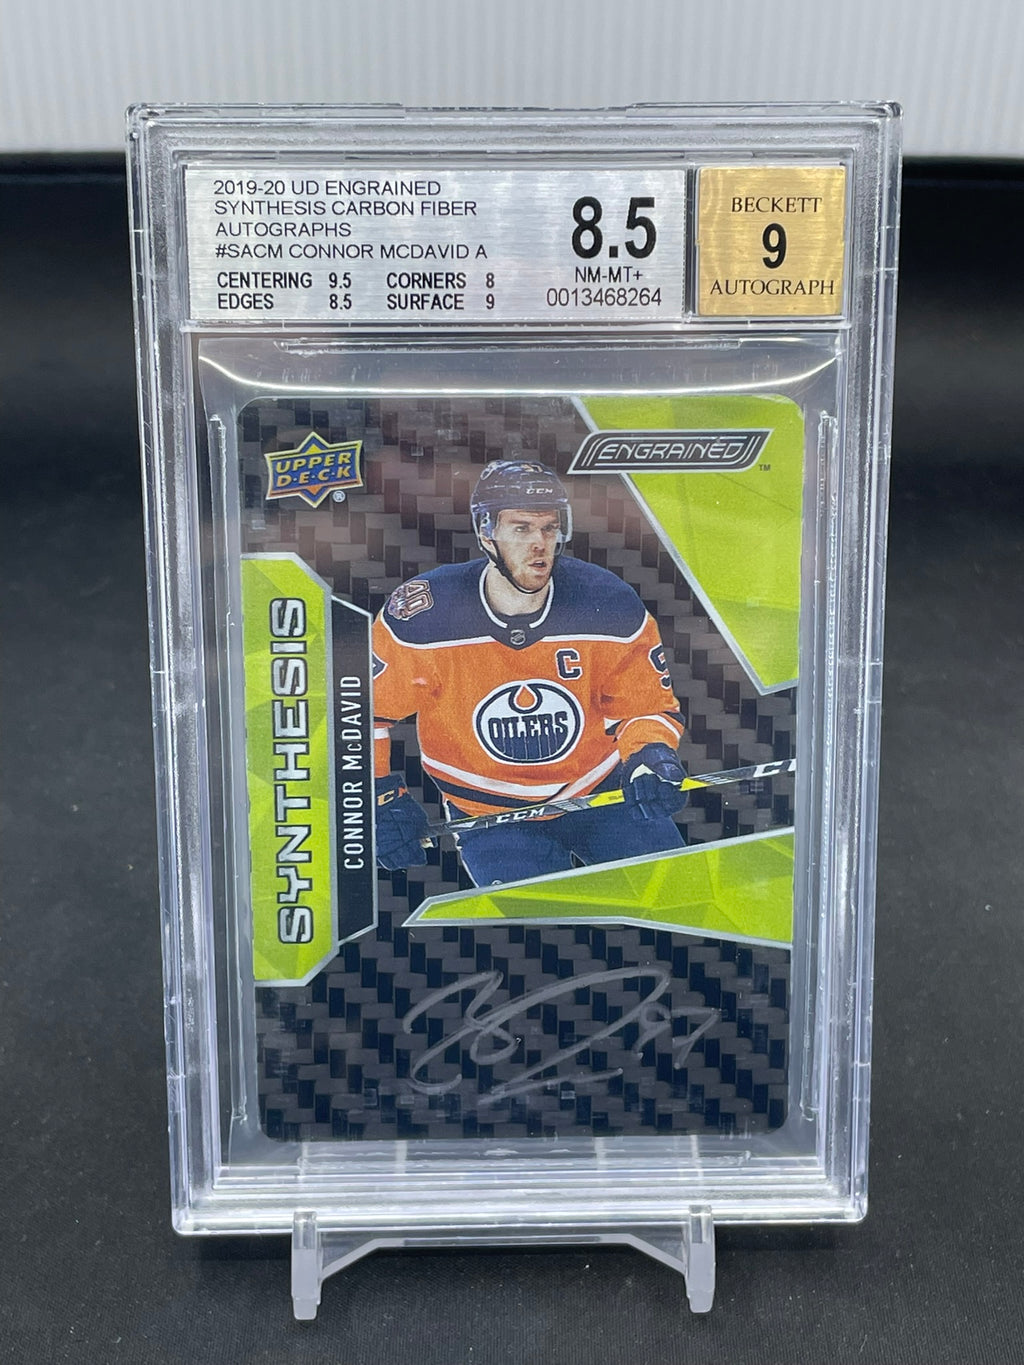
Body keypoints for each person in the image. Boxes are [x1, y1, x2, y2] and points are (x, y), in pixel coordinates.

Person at [371, 459, 687, 886]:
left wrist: (650, 756)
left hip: (601, 792)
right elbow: (362, 715)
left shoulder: (607, 602)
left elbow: (645, 706)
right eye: (521, 528)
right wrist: (378, 796)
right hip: (490, 816)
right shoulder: (425, 617)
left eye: (549, 528)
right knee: (536, 924)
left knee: (679, 897)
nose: (539, 544)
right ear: (487, 533)